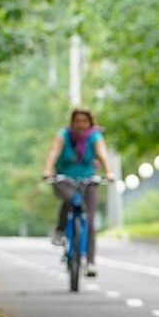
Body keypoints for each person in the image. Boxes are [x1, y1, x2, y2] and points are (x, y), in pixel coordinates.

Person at [40, 107, 115, 277]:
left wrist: (109, 172)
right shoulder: (64, 135)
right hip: (64, 179)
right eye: (77, 121)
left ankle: (90, 262)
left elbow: (103, 155)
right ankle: (60, 229)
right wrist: (48, 170)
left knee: (89, 220)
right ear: (72, 122)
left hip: (88, 181)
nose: (81, 125)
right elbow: (53, 153)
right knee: (72, 199)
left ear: (90, 123)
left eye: (84, 121)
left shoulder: (95, 136)